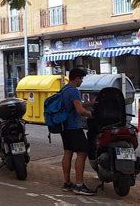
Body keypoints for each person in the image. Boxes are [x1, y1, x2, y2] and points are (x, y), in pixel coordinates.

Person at [60, 68, 96, 196]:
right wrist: (91, 114)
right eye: (81, 78)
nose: (82, 81)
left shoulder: (64, 89)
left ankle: (67, 183)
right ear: (76, 78)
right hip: (74, 127)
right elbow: (80, 111)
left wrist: (89, 103)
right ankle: (79, 185)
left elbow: (74, 106)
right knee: (82, 153)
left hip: (64, 127)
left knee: (68, 153)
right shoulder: (74, 91)